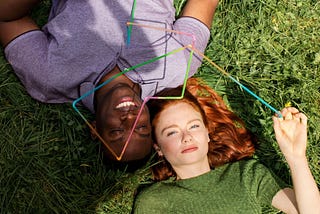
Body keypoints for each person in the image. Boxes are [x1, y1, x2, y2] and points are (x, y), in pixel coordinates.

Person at [0, 0, 219, 162]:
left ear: (95, 130)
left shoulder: (50, 78)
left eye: (117, 132)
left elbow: (7, 18)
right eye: (141, 127)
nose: (129, 119)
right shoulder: (177, 65)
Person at [133, 77, 320, 213]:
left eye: (194, 126)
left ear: (207, 132)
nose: (187, 137)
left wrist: (296, 157)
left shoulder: (247, 175)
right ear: (157, 147)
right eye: (172, 132)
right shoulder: (153, 201)